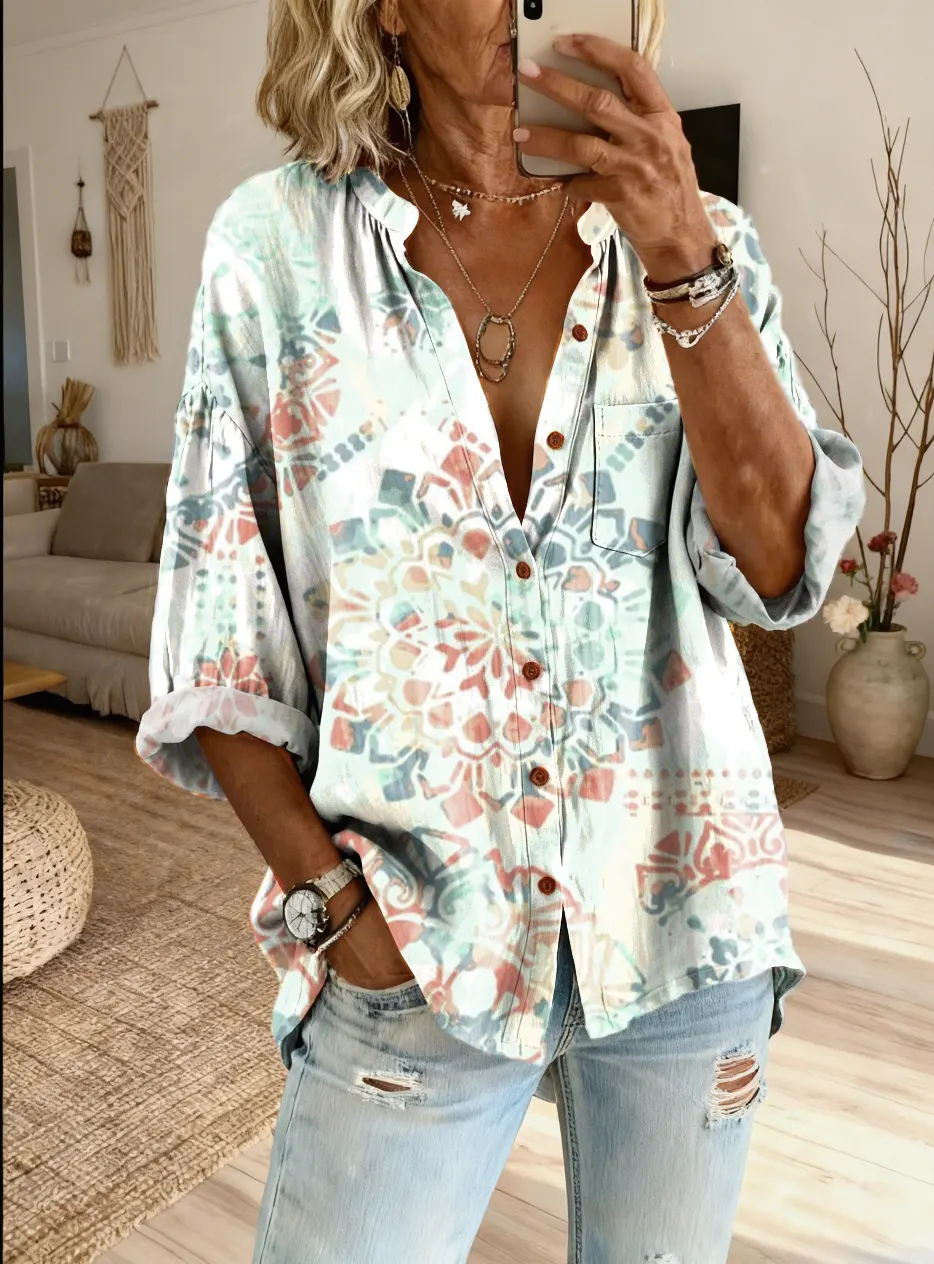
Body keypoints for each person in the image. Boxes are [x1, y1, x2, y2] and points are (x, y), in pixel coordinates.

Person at [136, 0, 865, 1260]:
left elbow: (781, 564)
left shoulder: (697, 238)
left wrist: (681, 252)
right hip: (415, 934)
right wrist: (334, 911)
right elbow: (218, 627)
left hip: (686, 920)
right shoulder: (276, 250)